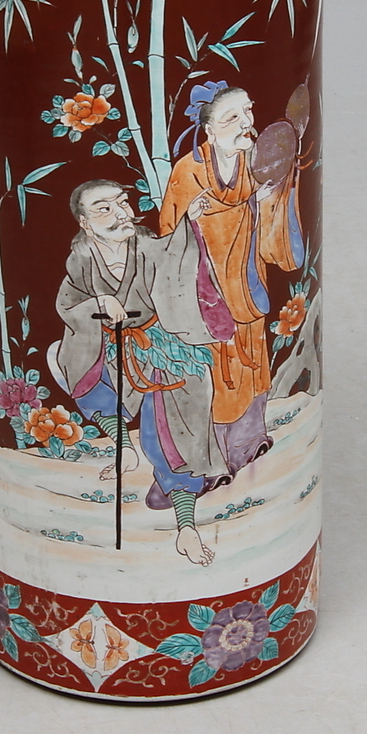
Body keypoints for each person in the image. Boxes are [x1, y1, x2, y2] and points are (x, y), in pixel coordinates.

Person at [51, 179, 229, 566]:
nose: (120, 214)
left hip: (161, 349)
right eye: (104, 209)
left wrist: (189, 222)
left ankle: (186, 528)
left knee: (174, 435)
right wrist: (99, 303)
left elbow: (177, 257)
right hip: (112, 349)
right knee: (72, 363)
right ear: (84, 223)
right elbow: (69, 305)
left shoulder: (148, 246)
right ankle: (122, 445)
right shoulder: (81, 260)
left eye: (122, 203)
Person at [159, 83, 305, 476]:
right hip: (207, 294)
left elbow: (270, 208)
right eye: (232, 118)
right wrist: (191, 218)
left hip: (247, 282)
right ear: (209, 130)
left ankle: (251, 440)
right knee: (219, 369)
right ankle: (216, 454)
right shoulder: (188, 172)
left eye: (247, 112)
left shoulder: (254, 163)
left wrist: (274, 190)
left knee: (253, 360)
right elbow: (167, 236)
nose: (245, 123)